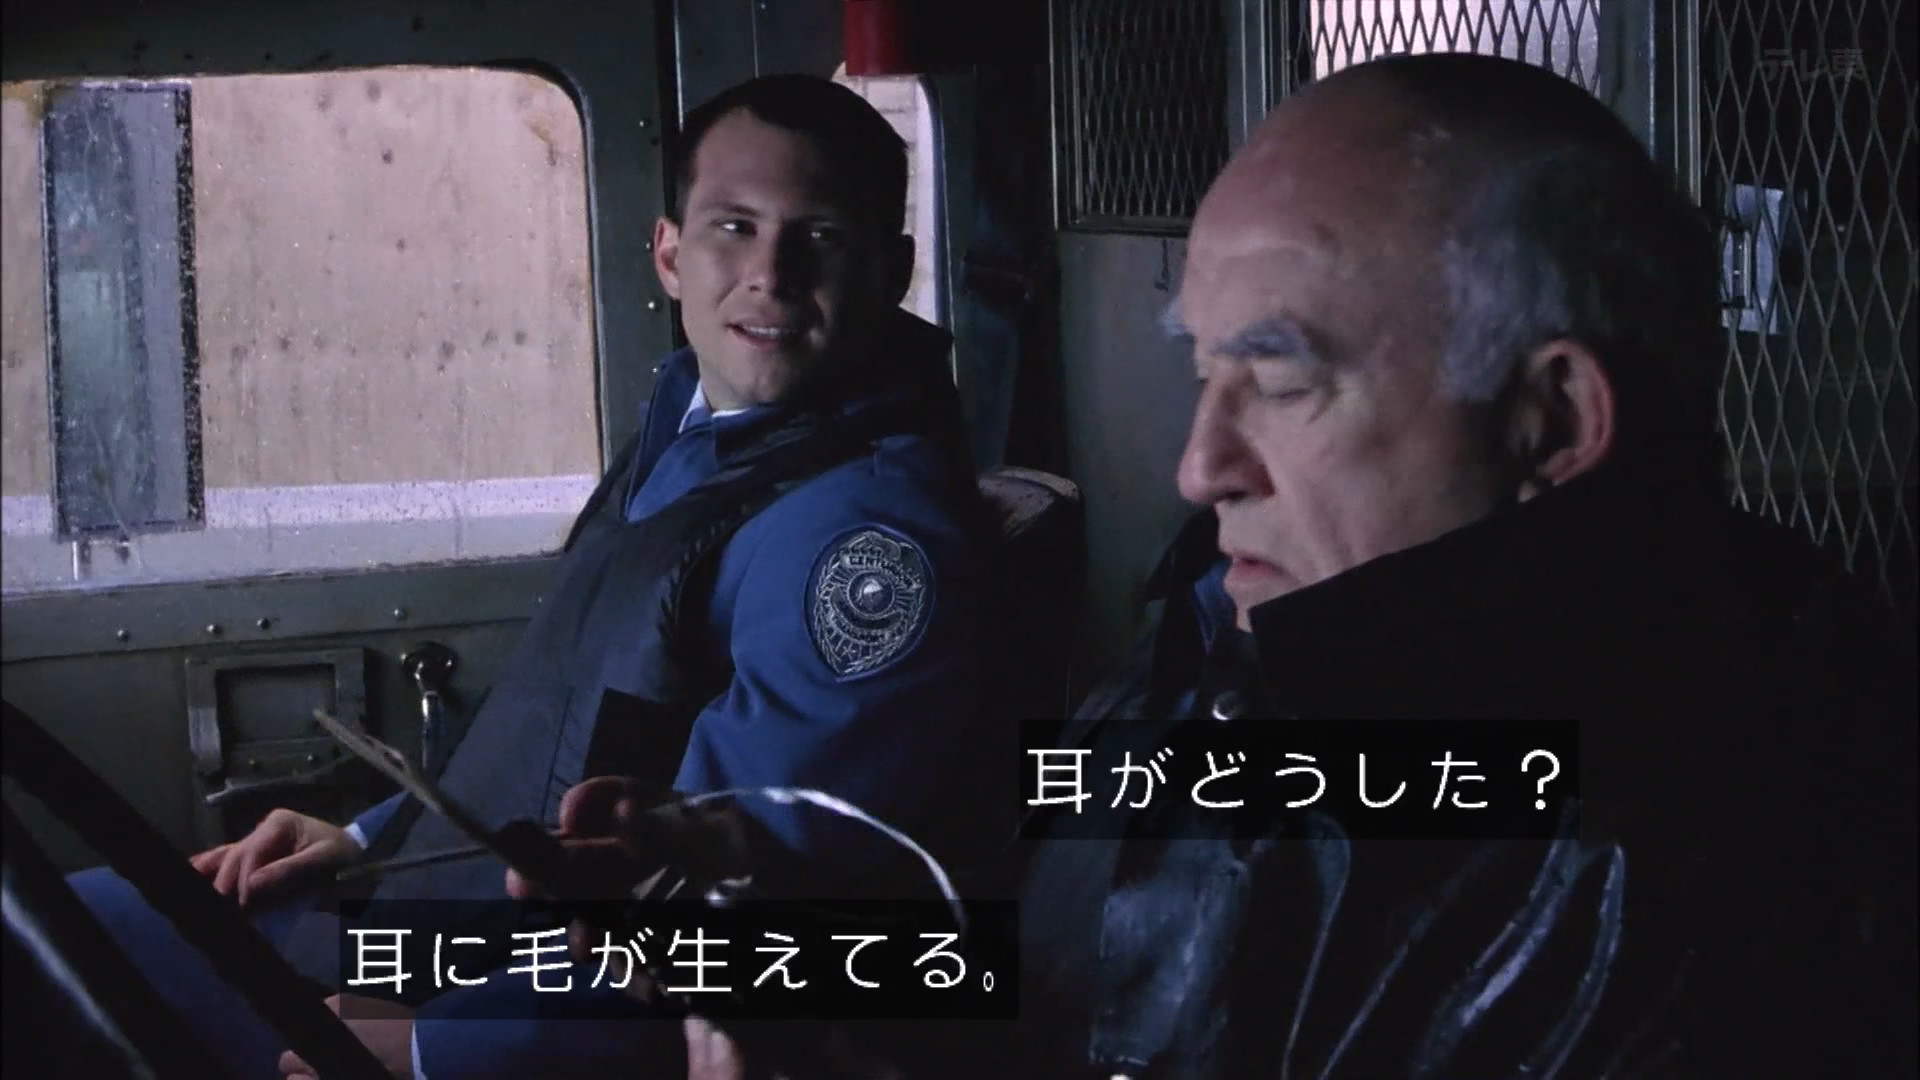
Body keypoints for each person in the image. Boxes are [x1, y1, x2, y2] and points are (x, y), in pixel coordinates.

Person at [551, 53, 1918, 1078]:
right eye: (1205, 370)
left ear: (1549, 421)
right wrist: (772, 914)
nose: (1201, 467)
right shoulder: (1260, 628)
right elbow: (1082, 969)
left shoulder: (1689, 854)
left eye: (1282, 379)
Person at [69, 72, 1000, 1080]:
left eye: (820, 237)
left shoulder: (864, 543)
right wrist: (373, 836)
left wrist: (434, 1050)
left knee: (61, 965)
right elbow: (568, 720)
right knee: (60, 922)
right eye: (734, 227)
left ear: (893, 270)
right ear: (669, 254)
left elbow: (750, 897)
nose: (768, 274)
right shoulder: (699, 428)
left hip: (511, 999)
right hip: (448, 909)